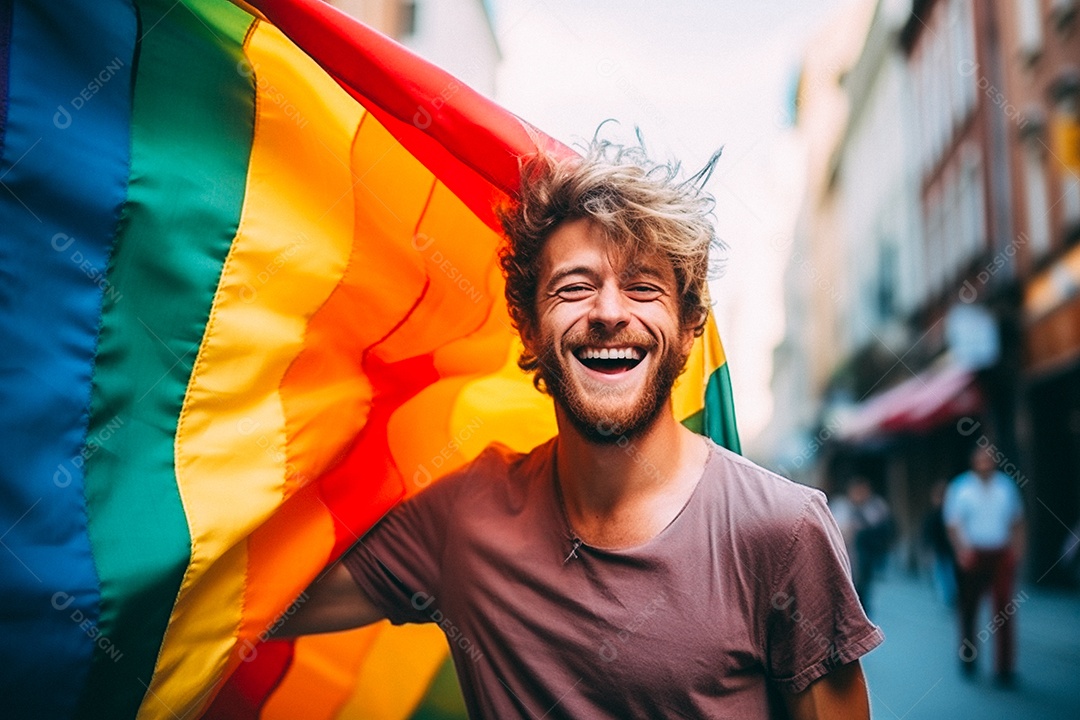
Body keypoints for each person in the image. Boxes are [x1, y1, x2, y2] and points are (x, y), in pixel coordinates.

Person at [276, 139, 884, 718]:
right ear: (532, 328)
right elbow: (246, 605)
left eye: (643, 287)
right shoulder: (463, 516)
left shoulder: (784, 530)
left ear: (690, 324)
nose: (610, 312)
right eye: (575, 287)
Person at [945, 445, 1025, 685]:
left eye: (989, 460)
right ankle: (968, 656)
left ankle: (1004, 668)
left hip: (1000, 553)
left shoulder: (1005, 487)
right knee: (969, 607)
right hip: (974, 553)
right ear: (973, 463)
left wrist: (1017, 551)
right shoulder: (961, 488)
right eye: (981, 460)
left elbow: (1018, 521)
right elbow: (954, 524)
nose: (985, 465)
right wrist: (961, 550)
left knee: (1004, 610)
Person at [829, 477, 892, 616]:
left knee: (863, 589)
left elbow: (882, 527)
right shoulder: (841, 506)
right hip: (847, 556)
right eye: (858, 491)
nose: (861, 494)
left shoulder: (874, 506)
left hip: (866, 556)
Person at [921, 480, 956, 606]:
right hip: (939, 550)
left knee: (948, 575)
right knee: (942, 575)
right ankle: (947, 598)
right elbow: (927, 533)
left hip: (950, 550)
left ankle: (950, 597)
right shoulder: (933, 514)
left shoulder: (951, 513)